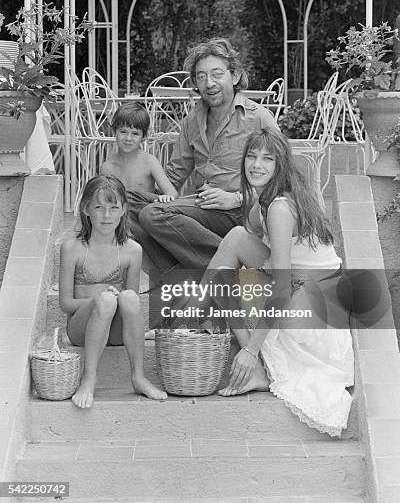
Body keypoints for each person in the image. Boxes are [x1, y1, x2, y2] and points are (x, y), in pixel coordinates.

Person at [188, 128, 354, 437]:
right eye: (251, 156)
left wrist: (250, 350)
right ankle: (198, 316)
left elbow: (279, 291)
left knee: (227, 285)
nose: (256, 165)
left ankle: (258, 367)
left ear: (281, 165)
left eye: (267, 159)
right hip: (306, 291)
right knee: (235, 241)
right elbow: (244, 240)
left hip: (318, 311)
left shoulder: (280, 207)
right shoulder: (264, 202)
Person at [127, 38, 279, 280]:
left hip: (240, 211)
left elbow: (283, 179)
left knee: (152, 214)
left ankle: (228, 263)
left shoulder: (258, 118)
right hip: (202, 208)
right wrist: (149, 191)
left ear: (235, 75)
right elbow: (175, 174)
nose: (209, 83)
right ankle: (195, 270)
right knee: (124, 199)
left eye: (217, 74)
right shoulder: (192, 120)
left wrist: (236, 198)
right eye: (201, 76)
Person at [59, 175, 167, 409]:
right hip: (81, 328)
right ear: (86, 209)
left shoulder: (132, 251)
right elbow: (66, 304)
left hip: (116, 331)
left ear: (123, 211)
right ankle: (89, 379)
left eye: (113, 208)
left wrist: (115, 299)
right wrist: (98, 300)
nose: (106, 216)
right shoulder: (73, 248)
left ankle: (138, 376)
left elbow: (132, 305)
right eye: (99, 207)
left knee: (128, 297)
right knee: (107, 301)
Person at [100, 101, 178, 203]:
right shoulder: (107, 167)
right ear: (114, 132)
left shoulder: (149, 162)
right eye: (123, 132)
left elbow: (172, 193)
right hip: (120, 216)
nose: (128, 138)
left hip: (145, 213)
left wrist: (166, 197)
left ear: (144, 137)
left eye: (135, 134)